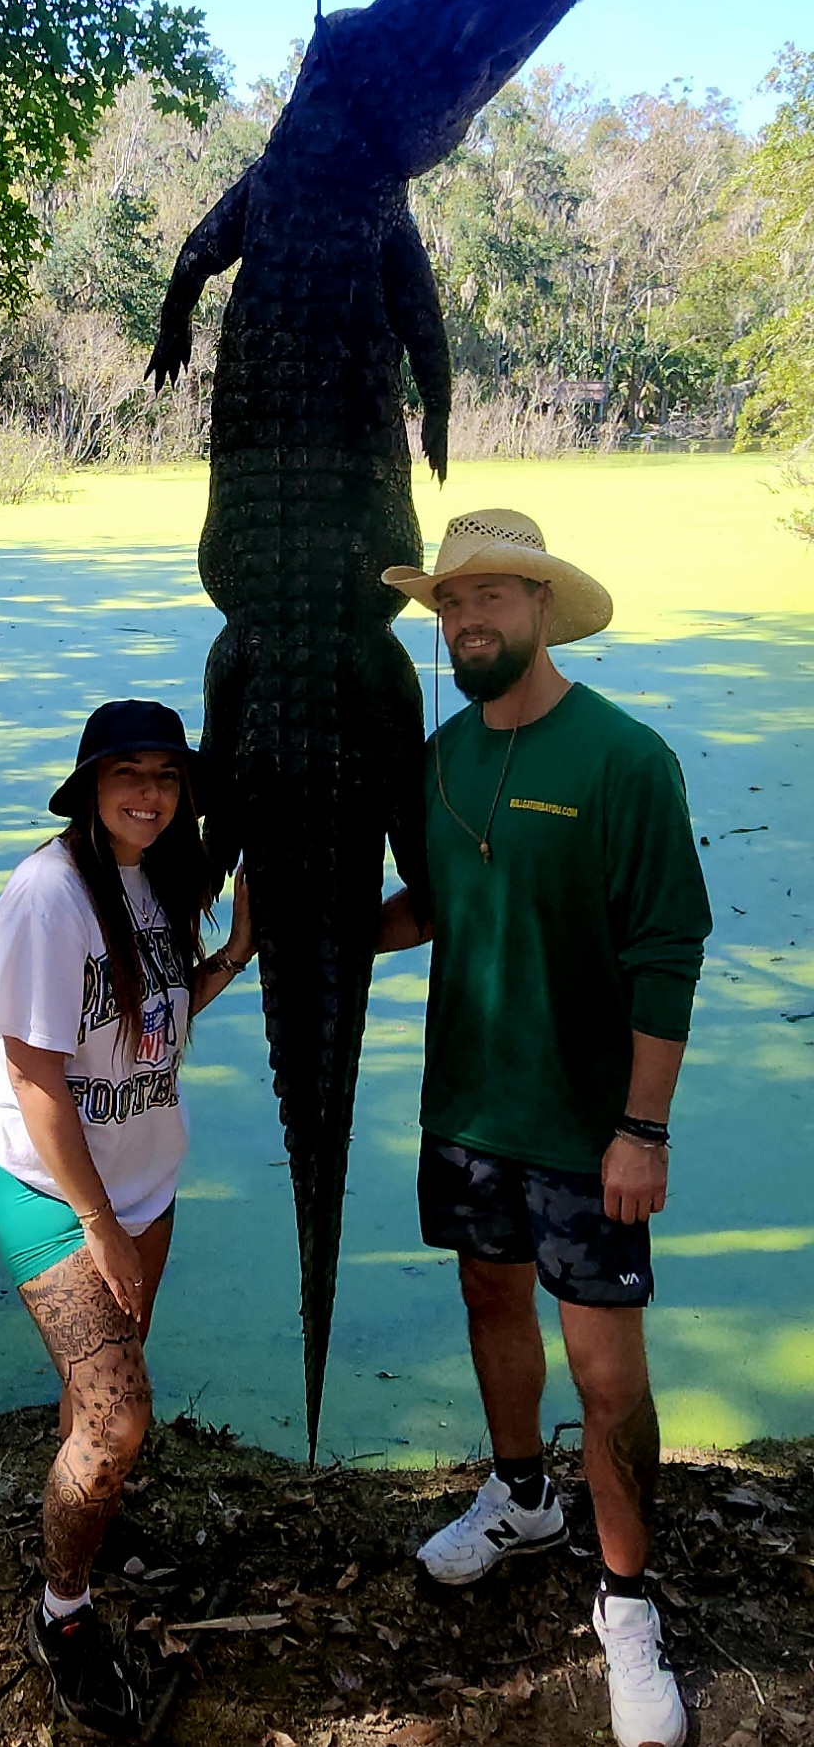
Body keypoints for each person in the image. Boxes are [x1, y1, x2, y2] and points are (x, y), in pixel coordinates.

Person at [379, 509, 712, 1747]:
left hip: (588, 1130)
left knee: (610, 1374)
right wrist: (316, 927)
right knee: (486, 1301)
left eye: (491, 599)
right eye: (449, 606)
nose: (465, 621)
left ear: (541, 607)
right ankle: (521, 1494)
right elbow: (433, 900)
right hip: (466, 1109)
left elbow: (668, 948)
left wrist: (643, 1126)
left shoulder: (624, 760)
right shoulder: (441, 756)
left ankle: (626, 1604)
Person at [0, 699, 253, 1736]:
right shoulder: (47, 895)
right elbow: (33, 1069)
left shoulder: (162, 881)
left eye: (168, 777)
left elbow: (151, 1027)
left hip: (145, 1179)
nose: (149, 793)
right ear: (90, 784)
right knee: (117, 1412)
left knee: (97, 1389)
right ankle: (64, 1612)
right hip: (55, 1188)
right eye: (127, 773)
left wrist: (232, 952)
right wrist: (95, 1220)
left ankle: (93, 1534)